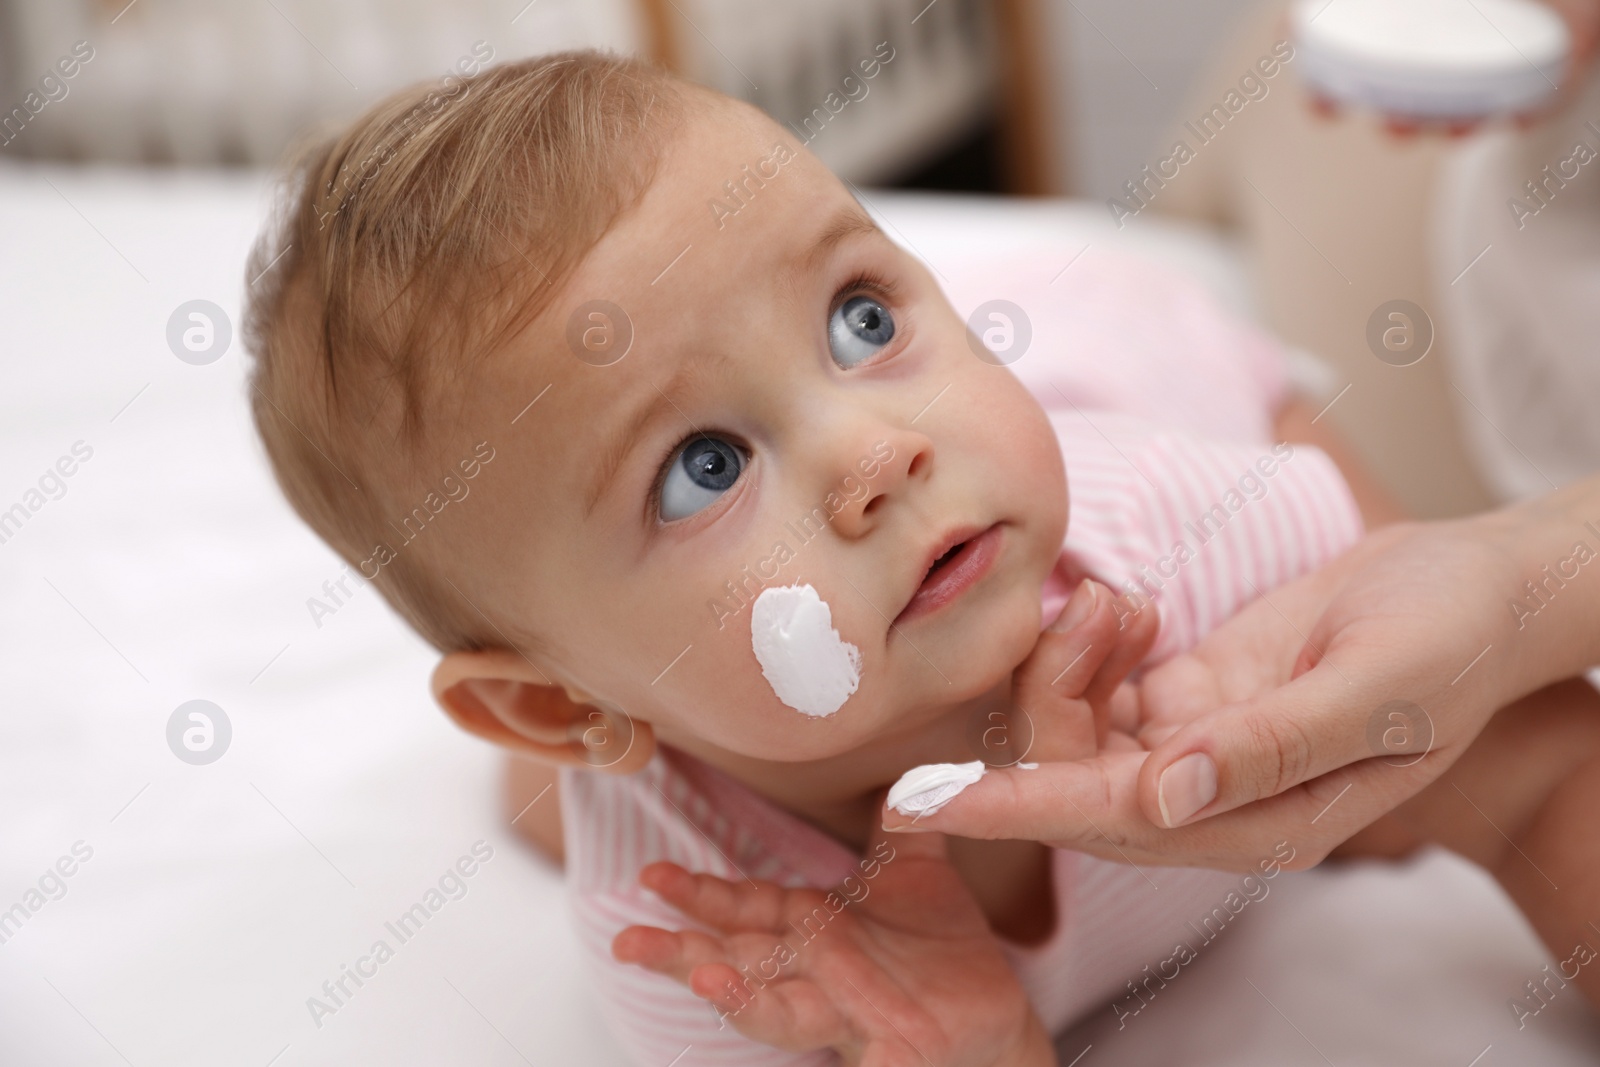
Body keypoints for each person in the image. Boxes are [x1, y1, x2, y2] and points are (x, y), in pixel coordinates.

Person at [240, 50, 1596, 1065]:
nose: (875, 454)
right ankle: (566, 742)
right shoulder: (716, 937)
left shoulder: (1202, 552)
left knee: (1411, 720)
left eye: (859, 317)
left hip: (1148, 370)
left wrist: (1446, 750)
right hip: (636, 716)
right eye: (704, 467)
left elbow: (1527, 734)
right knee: (555, 802)